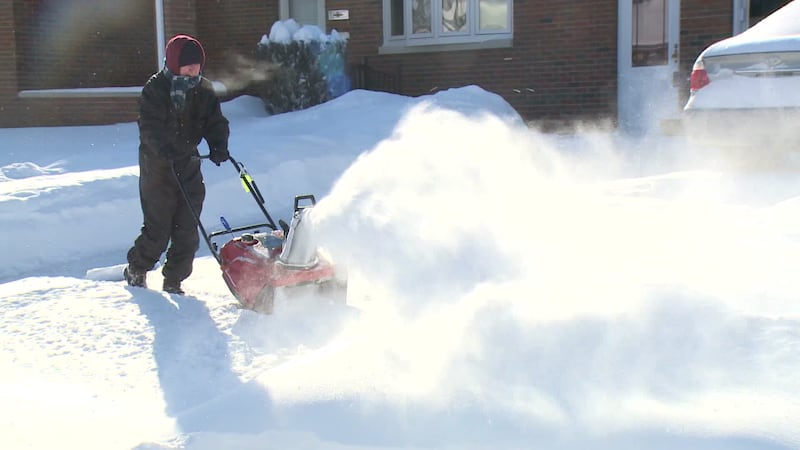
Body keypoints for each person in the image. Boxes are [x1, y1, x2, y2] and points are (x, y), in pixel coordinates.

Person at [124, 34, 230, 294]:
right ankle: (137, 268)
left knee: (188, 228)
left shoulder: (202, 88)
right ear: (174, 62)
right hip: (157, 167)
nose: (194, 70)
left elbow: (214, 121)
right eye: (188, 65)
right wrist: (163, 149)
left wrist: (218, 146)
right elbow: (149, 127)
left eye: (197, 65)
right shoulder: (156, 89)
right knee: (158, 228)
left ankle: (174, 280)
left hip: (188, 164)